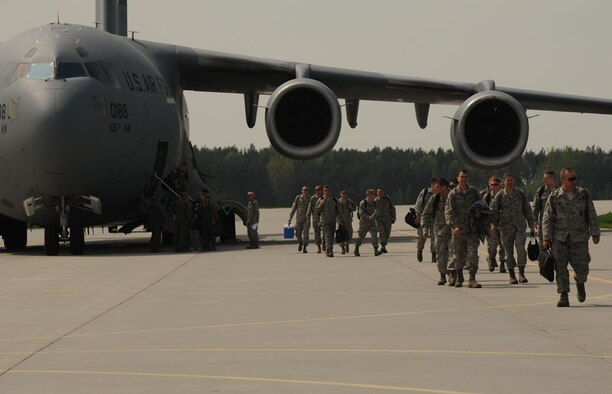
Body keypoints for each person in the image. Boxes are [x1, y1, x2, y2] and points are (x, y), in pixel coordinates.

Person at [542, 168, 600, 307]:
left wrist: (595, 232)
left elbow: (591, 213)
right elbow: (547, 218)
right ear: (563, 180)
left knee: (582, 268)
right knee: (560, 267)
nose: (574, 181)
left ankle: (580, 283)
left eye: (575, 178)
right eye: (571, 179)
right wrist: (546, 238)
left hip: (579, 238)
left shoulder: (583, 194)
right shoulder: (555, 196)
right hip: (560, 238)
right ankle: (563, 295)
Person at [490, 173, 535, 285]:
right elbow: (494, 210)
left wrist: (532, 224)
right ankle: (511, 275)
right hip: (505, 228)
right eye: (507, 180)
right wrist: (493, 224)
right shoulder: (500, 195)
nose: (510, 182)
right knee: (508, 252)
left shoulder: (520, 193)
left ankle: (521, 273)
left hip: (520, 226)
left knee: (520, 249)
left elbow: (527, 209)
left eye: (511, 180)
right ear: (503, 182)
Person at [444, 169, 481, 288]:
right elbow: (448, 212)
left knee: (473, 254)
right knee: (459, 255)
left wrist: (478, 212)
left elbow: (481, 205)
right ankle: (459, 277)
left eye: (466, 177)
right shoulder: (453, 194)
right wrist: (454, 226)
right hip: (458, 231)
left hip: (472, 230)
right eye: (462, 177)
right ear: (458, 178)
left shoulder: (474, 192)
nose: (464, 179)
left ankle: (472, 278)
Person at [422, 178, 451, 285]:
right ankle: (443, 275)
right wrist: (425, 228)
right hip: (439, 231)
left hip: (454, 231)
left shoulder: (454, 197)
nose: (435, 188)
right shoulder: (435, 199)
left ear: (444, 187)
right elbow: (426, 214)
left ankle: (453, 274)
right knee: (441, 254)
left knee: (454, 253)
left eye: (437, 186)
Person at [481, 176, 506, 272]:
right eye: (491, 185)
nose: (493, 187)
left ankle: (502, 262)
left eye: (495, 185)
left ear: (500, 185)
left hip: (503, 224)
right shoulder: (486, 197)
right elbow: (483, 212)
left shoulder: (504, 195)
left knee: (503, 245)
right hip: (490, 225)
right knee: (492, 246)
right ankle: (491, 258)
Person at [414, 179, 438, 262]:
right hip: (424, 218)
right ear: (432, 185)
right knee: (422, 237)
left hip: (434, 218)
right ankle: (419, 250)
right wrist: (419, 216)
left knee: (434, 237)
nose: (438, 188)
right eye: (436, 186)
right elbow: (418, 205)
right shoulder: (424, 192)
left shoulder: (439, 195)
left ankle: (434, 254)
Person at [533, 171, 557, 251]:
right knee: (543, 247)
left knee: (557, 247)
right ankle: (543, 263)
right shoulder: (541, 191)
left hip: (557, 224)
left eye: (546, 178)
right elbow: (535, 206)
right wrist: (535, 220)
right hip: (544, 223)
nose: (544, 180)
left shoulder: (560, 190)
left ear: (552, 179)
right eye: (544, 178)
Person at [354, 189, 382, 257]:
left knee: (374, 236)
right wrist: (368, 217)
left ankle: (376, 250)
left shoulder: (374, 202)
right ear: (369, 195)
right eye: (373, 194)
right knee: (361, 236)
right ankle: (356, 249)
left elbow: (377, 211)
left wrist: (374, 215)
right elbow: (361, 212)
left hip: (372, 222)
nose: (374, 195)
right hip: (364, 223)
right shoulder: (363, 202)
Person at [316, 185, 339, 257]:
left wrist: (340, 220)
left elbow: (339, 210)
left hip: (332, 221)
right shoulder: (321, 199)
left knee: (331, 236)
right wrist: (321, 204)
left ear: (330, 191)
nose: (327, 192)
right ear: (323, 192)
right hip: (324, 221)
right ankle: (330, 250)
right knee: (328, 235)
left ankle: (327, 249)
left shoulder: (335, 199)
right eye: (325, 191)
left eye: (328, 190)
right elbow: (316, 210)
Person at [288, 186, 311, 253]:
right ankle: (300, 242)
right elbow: (293, 208)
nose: (305, 191)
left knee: (306, 233)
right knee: (298, 233)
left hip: (306, 219)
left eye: (306, 190)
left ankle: (304, 247)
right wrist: (290, 218)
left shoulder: (310, 199)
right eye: (304, 190)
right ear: (302, 190)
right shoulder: (298, 198)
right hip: (299, 219)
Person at [374, 188, 396, 253]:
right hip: (379, 219)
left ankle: (384, 244)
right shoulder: (375, 201)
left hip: (388, 219)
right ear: (377, 193)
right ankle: (383, 246)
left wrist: (393, 217)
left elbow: (392, 208)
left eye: (381, 192)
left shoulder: (387, 199)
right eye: (379, 192)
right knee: (382, 232)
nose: (380, 193)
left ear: (383, 192)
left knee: (387, 233)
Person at [337, 190, 356, 254]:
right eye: (343, 193)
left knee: (350, 233)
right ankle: (342, 248)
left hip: (348, 220)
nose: (344, 194)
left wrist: (351, 207)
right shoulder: (338, 202)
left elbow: (354, 209)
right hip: (340, 220)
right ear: (340, 194)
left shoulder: (349, 201)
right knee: (340, 235)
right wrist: (338, 220)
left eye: (345, 193)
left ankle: (347, 243)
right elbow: (335, 211)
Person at [306, 185, 324, 253]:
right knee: (317, 233)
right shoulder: (313, 198)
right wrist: (308, 217)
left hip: (324, 218)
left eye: (319, 190)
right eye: (316, 190)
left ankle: (324, 242)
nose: (318, 191)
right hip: (315, 218)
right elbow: (309, 208)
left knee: (325, 232)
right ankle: (319, 247)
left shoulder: (325, 197)